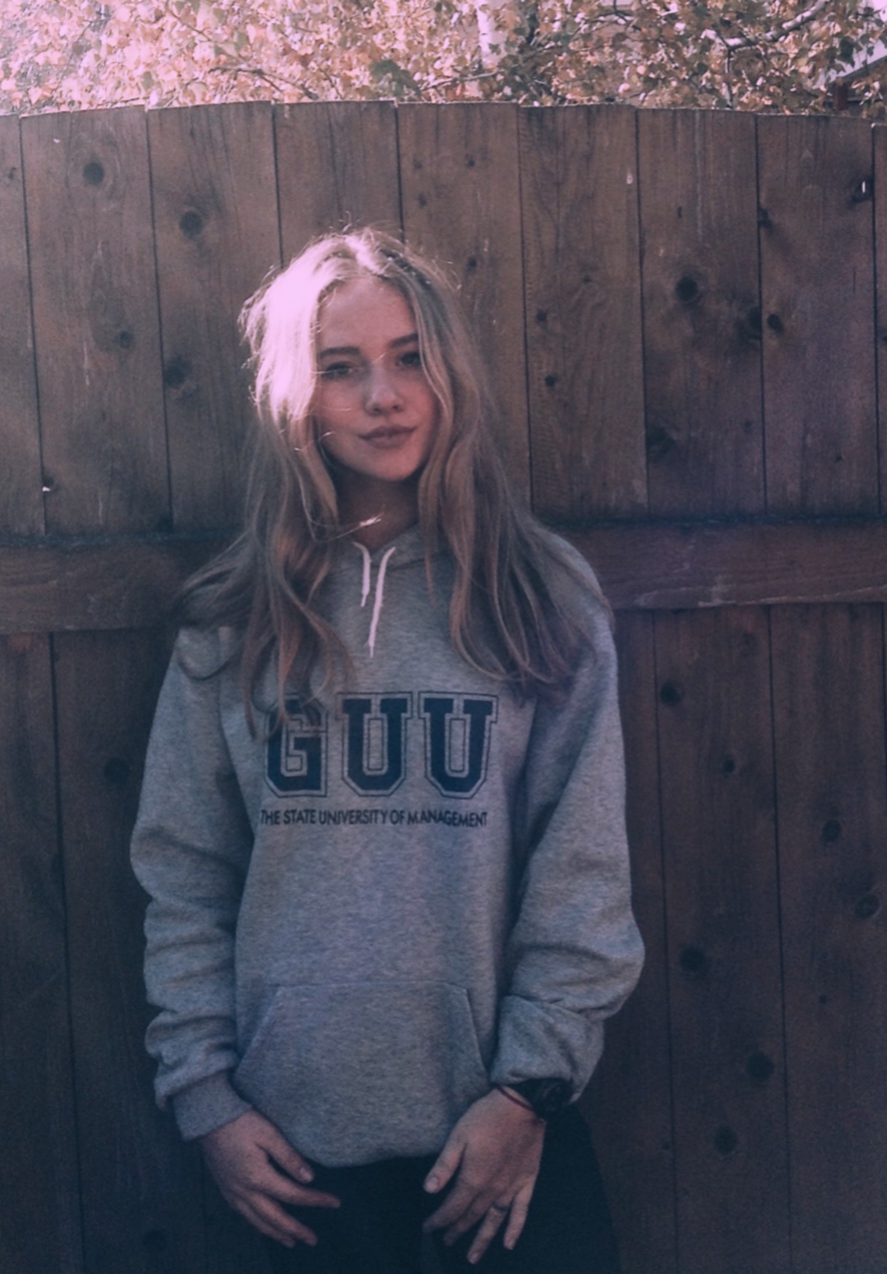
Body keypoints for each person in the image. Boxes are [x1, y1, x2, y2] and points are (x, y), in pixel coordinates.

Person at [131, 228, 644, 1273]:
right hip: (290, 1158)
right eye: (341, 367)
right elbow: (184, 872)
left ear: (449, 370)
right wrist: (206, 1098)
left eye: (410, 356)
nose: (384, 396)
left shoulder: (538, 595)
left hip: (501, 1139)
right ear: (296, 397)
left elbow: (582, 869)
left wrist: (528, 1087)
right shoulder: (232, 619)